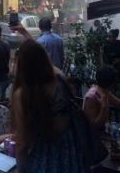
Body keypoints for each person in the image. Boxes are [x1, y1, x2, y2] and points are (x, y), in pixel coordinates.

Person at [12, 40, 85, 173]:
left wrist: (20, 167)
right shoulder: (61, 81)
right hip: (70, 154)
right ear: (45, 58)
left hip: (42, 158)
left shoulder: (22, 94)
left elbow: (22, 141)